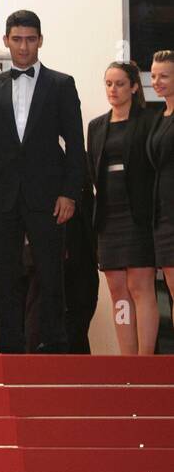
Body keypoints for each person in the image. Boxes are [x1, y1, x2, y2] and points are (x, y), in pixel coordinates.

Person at [0, 9, 86, 354]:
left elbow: (76, 145)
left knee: (50, 274)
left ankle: (53, 350)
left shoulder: (62, 84)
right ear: (6, 42)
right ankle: (9, 355)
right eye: (17, 39)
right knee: (6, 276)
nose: (24, 47)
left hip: (48, 196)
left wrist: (70, 193)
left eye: (31, 39)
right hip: (3, 196)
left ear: (40, 41)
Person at [86, 61, 157, 354]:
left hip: (138, 215)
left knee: (140, 286)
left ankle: (145, 361)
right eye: (108, 84)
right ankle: (127, 361)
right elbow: (93, 169)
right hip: (108, 216)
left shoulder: (149, 120)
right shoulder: (97, 126)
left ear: (134, 87)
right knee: (118, 290)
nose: (113, 90)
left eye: (119, 84)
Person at [148, 50, 174, 324]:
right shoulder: (160, 116)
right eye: (153, 75)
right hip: (163, 217)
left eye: (164, 76)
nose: (156, 81)